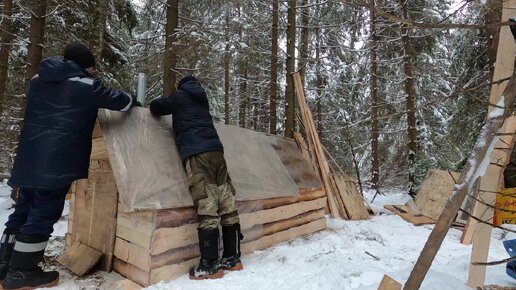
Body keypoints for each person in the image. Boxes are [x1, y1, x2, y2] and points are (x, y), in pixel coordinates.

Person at [0, 42, 135, 290]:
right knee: (43, 214)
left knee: (22, 211)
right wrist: (133, 96)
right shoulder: (86, 85)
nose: (94, 72)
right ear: (84, 66)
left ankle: (4, 265)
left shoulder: (38, 81)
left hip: (29, 159)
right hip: (56, 163)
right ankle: (22, 272)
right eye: (92, 68)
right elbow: (123, 102)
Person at [150, 76, 243, 280]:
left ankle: (209, 265)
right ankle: (232, 257)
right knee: (227, 201)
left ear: (181, 86)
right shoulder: (202, 99)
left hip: (197, 153)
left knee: (207, 203)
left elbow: (156, 107)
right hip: (217, 152)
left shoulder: (180, 96)